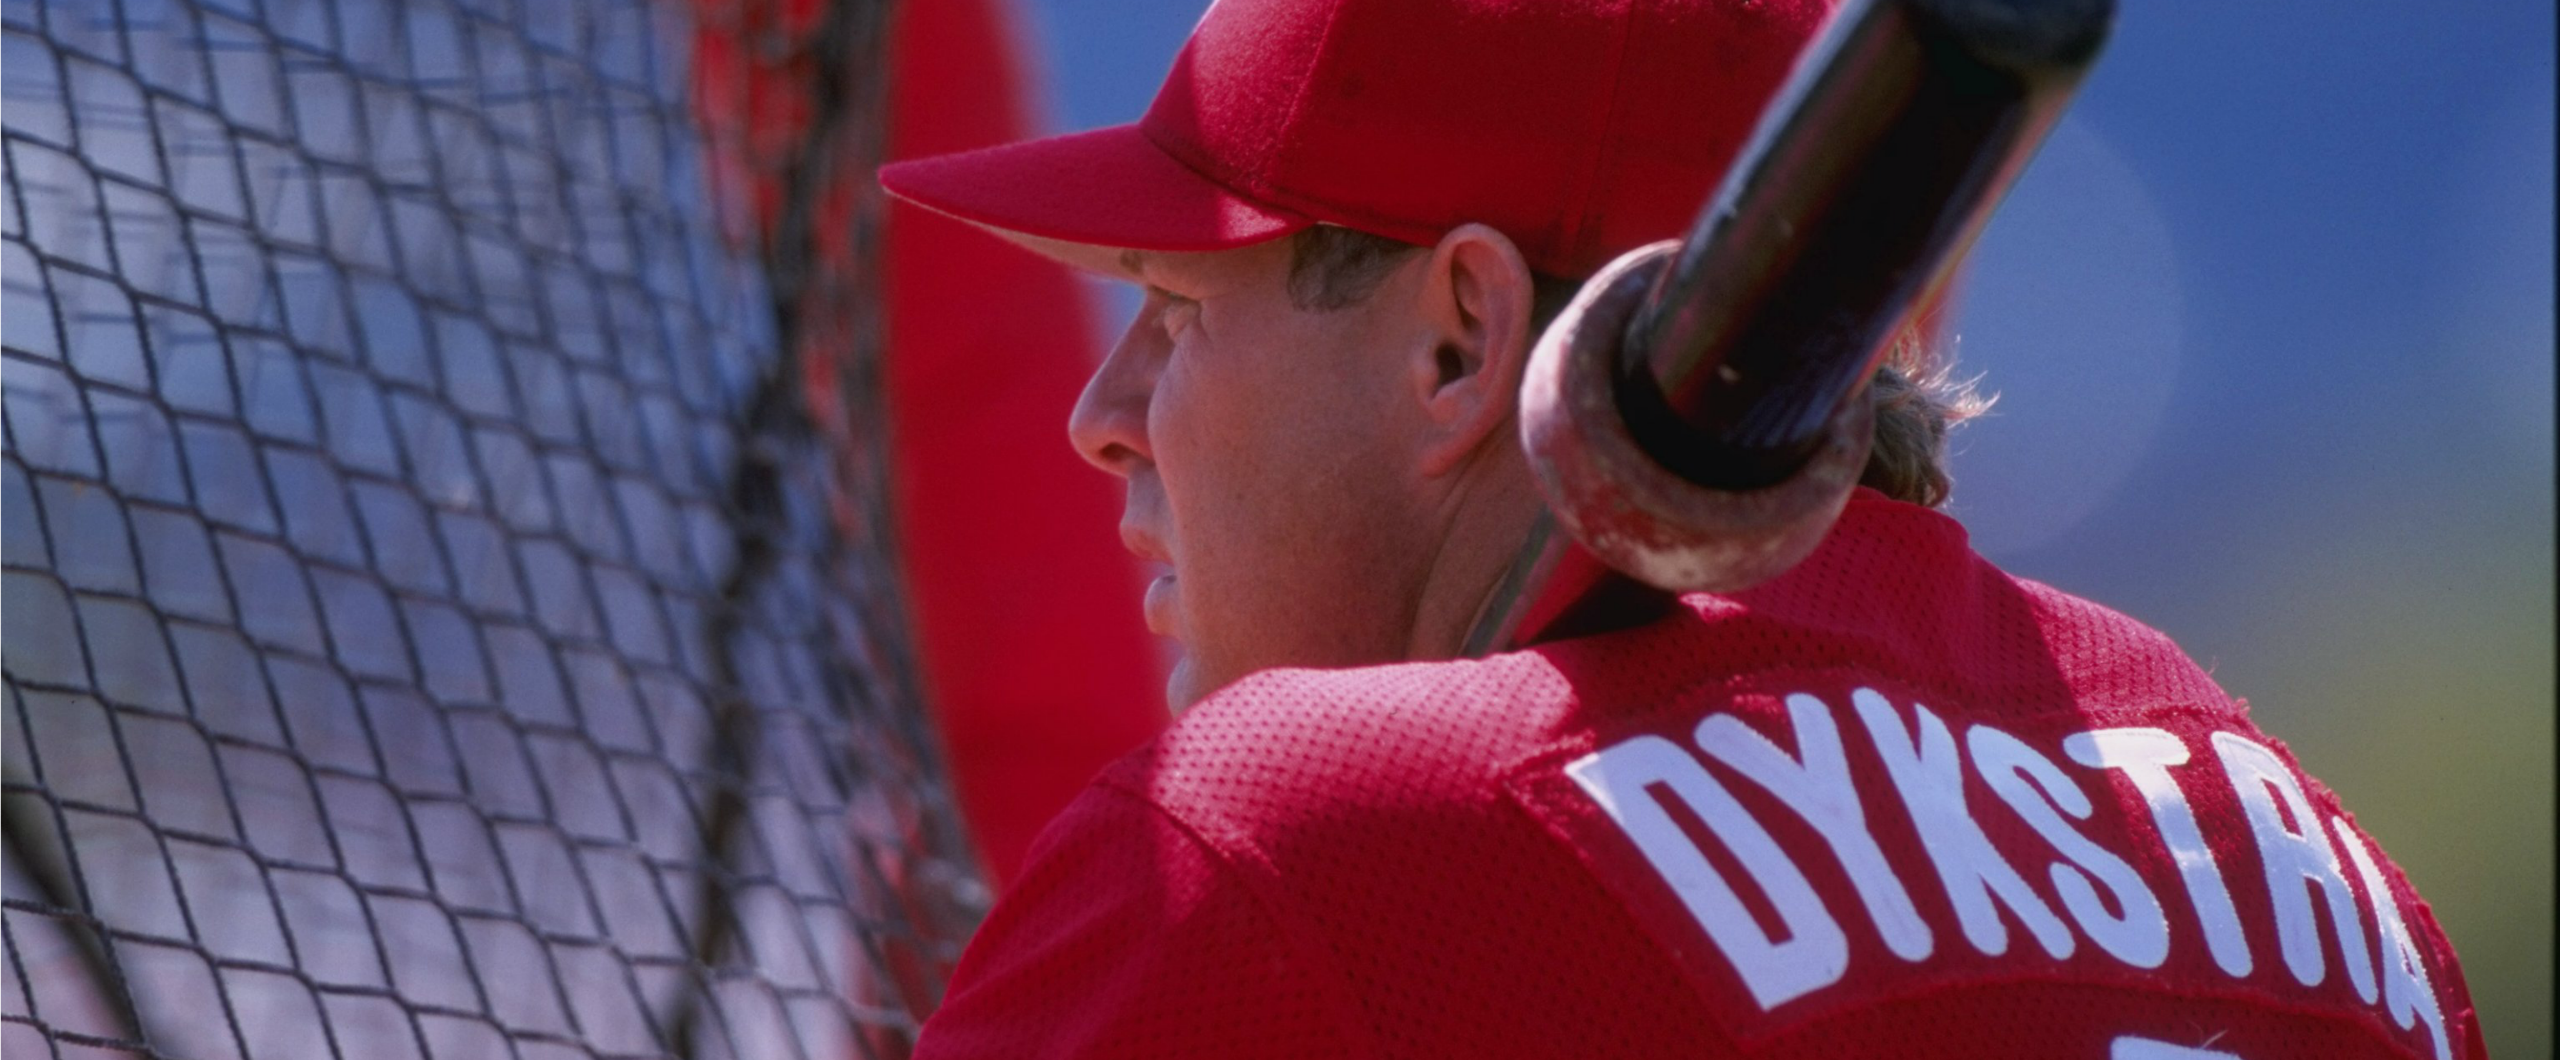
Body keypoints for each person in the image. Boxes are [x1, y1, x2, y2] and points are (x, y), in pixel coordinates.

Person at [878, 0, 2485, 1056]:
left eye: (1173, 309)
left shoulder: (1292, 847)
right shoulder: (2320, 869)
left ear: (1460, 340)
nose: (1103, 412)